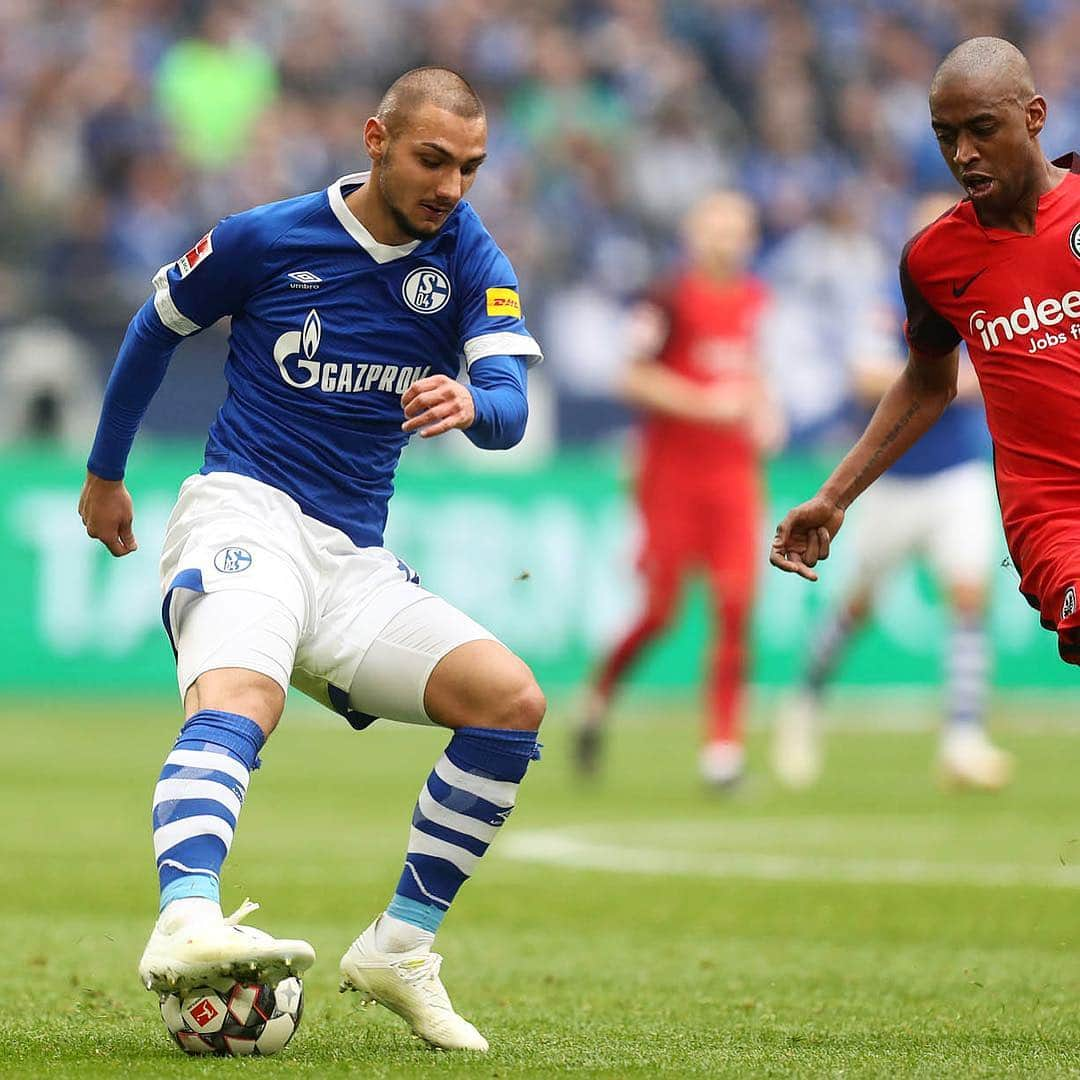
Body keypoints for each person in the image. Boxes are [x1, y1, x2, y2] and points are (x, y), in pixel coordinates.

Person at [78, 67, 545, 1054]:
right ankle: (187, 915)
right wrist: (104, 474)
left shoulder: (470, 258)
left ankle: (400, 947)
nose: (452, 186)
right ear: (376, 138)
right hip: (242, 512)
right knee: (245, 697)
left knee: (510, 704)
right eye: (432, 160)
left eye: (471, 167)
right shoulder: (264, 238)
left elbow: (509, 405)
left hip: (352, 560)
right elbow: (152, 330)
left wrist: (473, 404)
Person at [771, 39, 1080, 705]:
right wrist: (834, 496)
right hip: (1054, 515)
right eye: (946, 135)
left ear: (1034, 116)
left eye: (982, 129)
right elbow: (926, 383)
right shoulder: (934, 260)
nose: (963, 153)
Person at [773, 193, 1013, 792]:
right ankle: (803, 705)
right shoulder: (891, 303)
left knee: (967, 595)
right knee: (856, 606)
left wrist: (941, 382)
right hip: (891, 481)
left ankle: (963, 735)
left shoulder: (986, 293)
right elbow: (867, 375)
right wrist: (946, 381)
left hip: (956, 473)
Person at [575, 191, 782, 787]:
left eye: (737, 229)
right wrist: (705, 404)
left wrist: (768, 412)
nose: (726, 240)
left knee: (737, 607)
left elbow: (756, 374)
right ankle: (598, 696)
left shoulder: (757, 301)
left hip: (735, 476)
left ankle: (722, 753)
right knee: (661, 612)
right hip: (671, 477)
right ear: (694, 235)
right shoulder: (666, 299)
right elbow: (630, 375)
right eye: (715, 228)